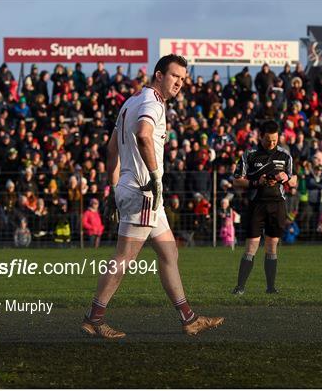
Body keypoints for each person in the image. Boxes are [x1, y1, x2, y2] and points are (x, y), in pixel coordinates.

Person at [81, 54, 224, 339]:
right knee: (124, 258)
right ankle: (94, 319)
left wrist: (113, 187)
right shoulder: (152, 103)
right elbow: (144, 134)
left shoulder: (131, 101)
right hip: (144, 191)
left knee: (169, 252)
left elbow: (112, 149)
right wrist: (156, 177)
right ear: (158, 75)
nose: (179, 84)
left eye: (183, 79)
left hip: (137, 189)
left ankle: (189, 318)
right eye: (174, 77)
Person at [231, 120, 297, 295]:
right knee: (252, 245)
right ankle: (240, 287)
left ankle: (271, 288)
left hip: (277, 205)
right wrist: (256, 182)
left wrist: (285, 178)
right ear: (261, 137)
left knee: (272, 245)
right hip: (257, 204)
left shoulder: (285, 156)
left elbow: (294, 180)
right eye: (268, 140)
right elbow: (237, 180)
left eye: (275, 140)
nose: (272, 143)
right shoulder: (250, 155)